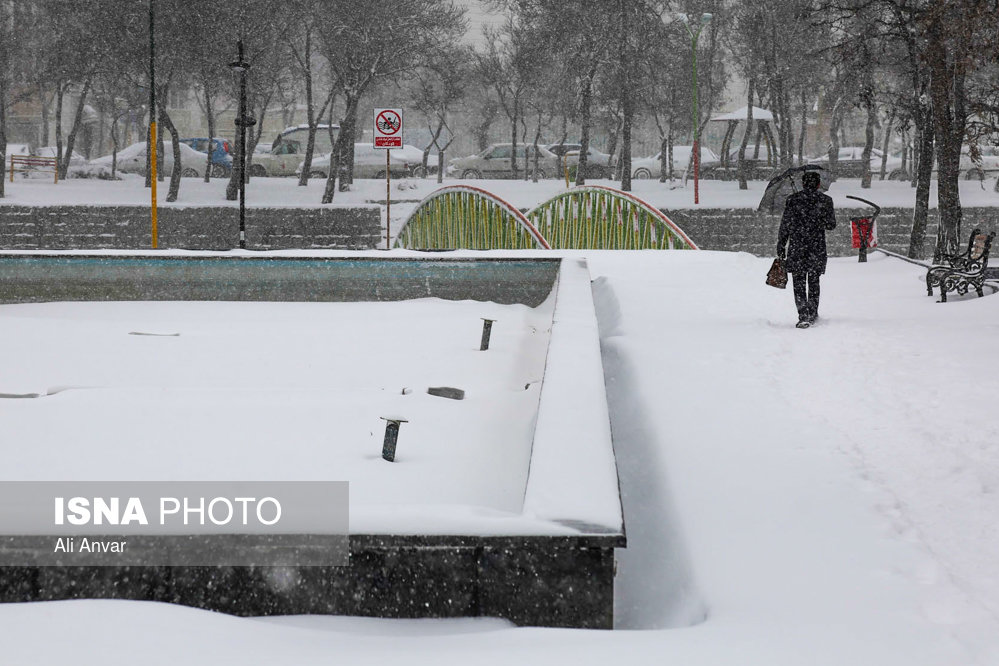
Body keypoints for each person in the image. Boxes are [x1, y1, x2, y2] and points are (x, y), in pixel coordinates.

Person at [776, 171, 837, 328]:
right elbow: (831, 225)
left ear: (803, 184)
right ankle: (812, 312)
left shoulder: (793, 200)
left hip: (797, 246)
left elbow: (786, 224)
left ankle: (803, 313)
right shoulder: (825, 200)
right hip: (816, 246)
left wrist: (781, 243)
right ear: (818, 184)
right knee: (814, 280)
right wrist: (818, 218)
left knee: (799, 281)